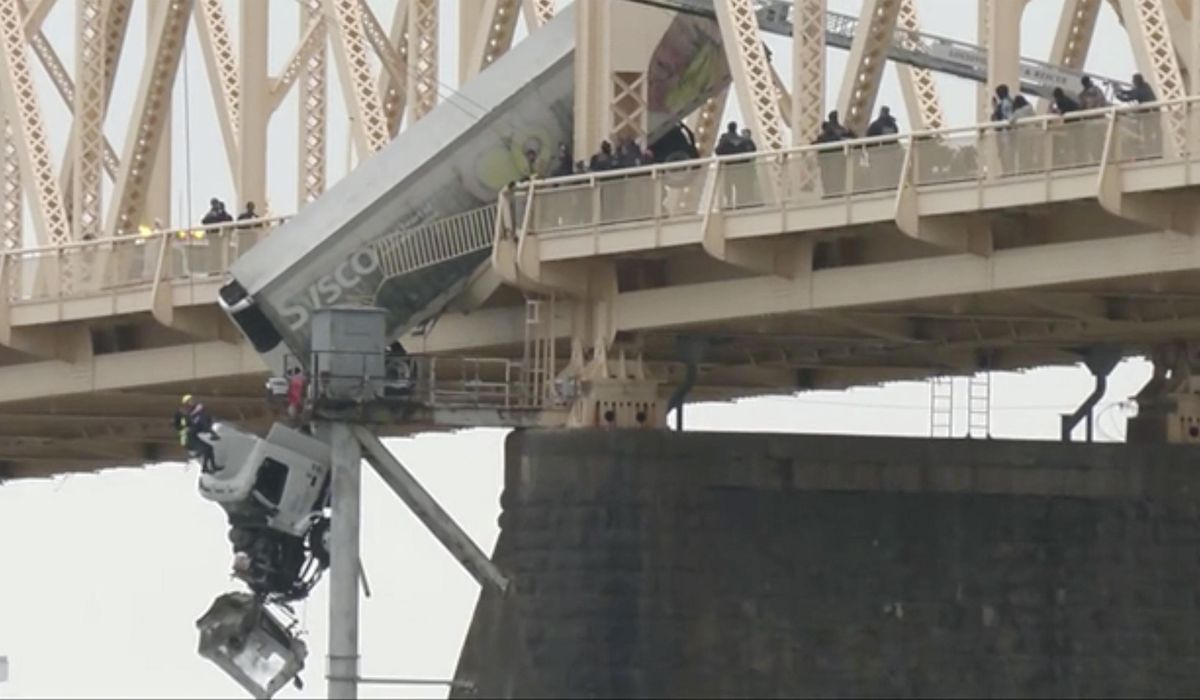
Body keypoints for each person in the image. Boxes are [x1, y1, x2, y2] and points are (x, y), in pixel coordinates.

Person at [180, 394, 217, 473]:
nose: (192, 402)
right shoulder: (188, 412)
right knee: (207, 449)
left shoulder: (195, 412)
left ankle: (211, 466)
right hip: (190, 439)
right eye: (190, 401)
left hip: (193, 436)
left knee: (209, 448)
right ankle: (203, 463)